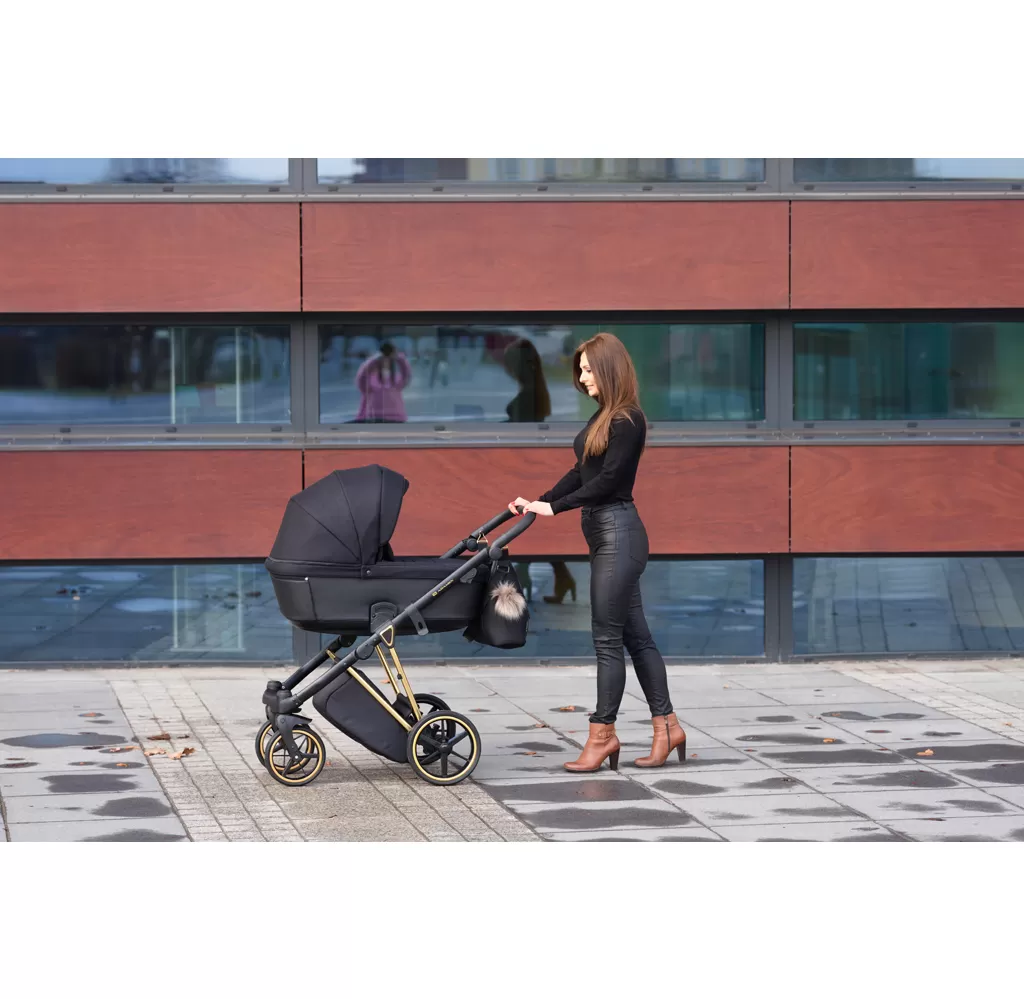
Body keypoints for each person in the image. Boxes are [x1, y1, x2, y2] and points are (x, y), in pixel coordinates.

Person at [508, 332, 684, 772]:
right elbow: (582, 471)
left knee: (607, 639)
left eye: (588, 369)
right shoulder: (605, 417)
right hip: (608, 536)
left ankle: (602, 735)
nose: (582, 377)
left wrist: (556, 508)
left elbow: (608, 482)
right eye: (581, 369)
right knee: (636, 637)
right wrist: (538, 501)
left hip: (619, 534)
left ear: (608, 368)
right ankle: (667, 727)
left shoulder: (628, 419)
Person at [502, 338, 576, 605]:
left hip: (524, 461)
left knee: (528, 520)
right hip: (529, 460)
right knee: (532, 520)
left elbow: (521, 428)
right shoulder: (535, 391)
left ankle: (526, 573)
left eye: (510, 364)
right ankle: (561, 576)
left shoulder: (528, 395)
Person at [355, 342, 412, 423]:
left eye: (388, 360)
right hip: (374, 418)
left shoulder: (396, 380)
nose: (384, 361)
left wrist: (398, 357)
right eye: (382, 360)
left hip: (396, 418)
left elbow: (406, 375)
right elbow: (361, 377)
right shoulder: (369, 382)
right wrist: (375, 359)